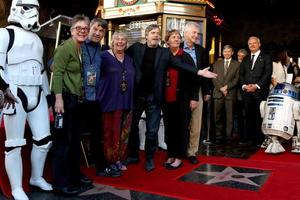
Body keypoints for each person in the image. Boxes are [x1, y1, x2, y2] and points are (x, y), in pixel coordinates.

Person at [126, 24, 217, 172]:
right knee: (134, 127)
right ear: (146, 35)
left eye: (157, 33)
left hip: (157, 98)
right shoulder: (136, 48)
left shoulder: (164, 53)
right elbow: (121, 55)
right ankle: (134, 155)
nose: (155, 35)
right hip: (140, 97)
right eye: (153, 33)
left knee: (153, 130)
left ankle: (150, 159)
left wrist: (199, 72)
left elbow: (180, 64)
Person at [0, 0, 52, 199]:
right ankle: (16, 187)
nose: (34, 13)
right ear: (15, 8)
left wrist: (47, 97)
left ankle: (36, 177)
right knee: (14, 143)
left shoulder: (37, 39)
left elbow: (41, 70)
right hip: (14, 91)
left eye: (36, 9)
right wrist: (4, 90)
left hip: (36, 92)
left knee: (45, 140)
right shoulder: (5, 34)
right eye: (29, 8)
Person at [51, 14, 91, 196]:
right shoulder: (65, 48)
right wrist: (58, 99)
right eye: (79, 28)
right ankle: (60, 184)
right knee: (63, 143)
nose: (82, 31)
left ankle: (74, 177)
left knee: (74, 141)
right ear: (72, 29)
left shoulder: (81, 48)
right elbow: (57, 73)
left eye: (85, 29)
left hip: (77, 101)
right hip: (65, 100)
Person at [81, 18, 121, 177]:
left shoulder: (102, 50)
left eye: (101, 31)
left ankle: (101, 166)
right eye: (95, 29)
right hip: (78, 99)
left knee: (97, 135)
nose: (97, 33)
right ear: (88, 28)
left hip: (95, 100)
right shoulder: (77, 45)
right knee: (73, 137)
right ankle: (74, 172)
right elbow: (54, 64)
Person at [96, 31, 135, 173]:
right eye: (117, 39)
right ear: (112, 41)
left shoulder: (129, 59)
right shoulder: (103, 56)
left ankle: (119, 159)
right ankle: (109, 161)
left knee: (123, 133)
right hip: (109, 101)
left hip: (126, 101)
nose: (120, 42)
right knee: (109, 133)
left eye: (123, 39)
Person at [162, 30, 199, 169]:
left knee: (181, 128)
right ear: (167, 41)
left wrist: (194, 98)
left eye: (178, 37)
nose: (177, 39)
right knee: (169, 128)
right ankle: (171, 155)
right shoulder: (163, 55)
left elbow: (195, 78)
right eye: (173, 37)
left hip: (183, 99)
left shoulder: (186, 56)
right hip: (166, 99)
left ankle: (179, 157)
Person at [181, 22, 211, 164]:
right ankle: (179, 150)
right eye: (193, 32)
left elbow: (205, 72)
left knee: (195, 123)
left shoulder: (201, 50)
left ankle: (192, 152)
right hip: (180, 90)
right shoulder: (176, 48)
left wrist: (206, 91)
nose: (196, 35)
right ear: (185, 33)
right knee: (181, 122)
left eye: (197, 33)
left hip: (197, 89)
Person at [239, 36, 272, 147]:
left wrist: (257, 86)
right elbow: (241, 74)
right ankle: (249, 138)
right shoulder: (246, 58)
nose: (252, 45)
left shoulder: (266, 57)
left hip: (260, 92)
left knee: (259, 116)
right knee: (248, 115)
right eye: (250, 43)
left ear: (259, 44)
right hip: (247, 92)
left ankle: (259, 139)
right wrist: (244, 86)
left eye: (254, 43)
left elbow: (267, 74)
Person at [212, 45, 240, 144]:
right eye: (225, 52)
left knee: (230, 116)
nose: (227, 53)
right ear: (223, 53)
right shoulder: (216, 64)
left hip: (230, 93)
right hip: (218, 93)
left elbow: (237, 79)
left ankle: (228, 137)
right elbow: (213, 77)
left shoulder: (237, 64)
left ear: (232, 53)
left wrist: (226, 87)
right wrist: (221, 88)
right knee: (217, 116)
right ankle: (218, 136)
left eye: (229, 51)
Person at [235, 49, 248, 144]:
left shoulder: (248, 65)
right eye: (239, 56)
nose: (240, 58)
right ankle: (238, 134)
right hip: (234, 94)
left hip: (244, 94)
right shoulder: (235, 64)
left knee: (244, 116)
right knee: (237, 116)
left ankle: (244, 136)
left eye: (242, 56)